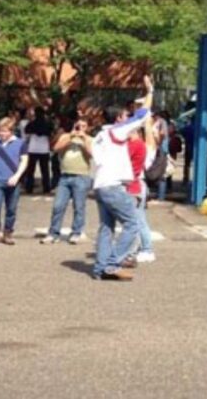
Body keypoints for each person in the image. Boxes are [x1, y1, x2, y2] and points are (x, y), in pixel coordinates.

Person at [90, 75, 153, 281]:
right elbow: (142, 116)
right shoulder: (117, 132)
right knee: (132, 224)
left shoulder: (99, 136)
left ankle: (100, 268)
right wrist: (150, 92)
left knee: (106, 228)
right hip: (113, 186)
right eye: (125, 115)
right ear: (118, 118)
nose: (127, 118)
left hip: (100, 185)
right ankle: (112, 264)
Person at [43, 118, 93, 244]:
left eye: (84, 126)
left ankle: (76, 232)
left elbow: (92, 154)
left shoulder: (90, 139)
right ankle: (53, 233)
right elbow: (56, 148)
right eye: (78, 125)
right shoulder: (66, 136)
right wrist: (71, 137)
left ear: (87, 128)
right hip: (65, 176)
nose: (80, 128)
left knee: (79, 206)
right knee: (58, 206)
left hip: (81, 176)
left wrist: (83, 139)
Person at [0, 118, 29, 245]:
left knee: (11, 209)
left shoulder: (20, 143)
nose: (2, 134)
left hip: (13, 180)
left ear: (11, 131)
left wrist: (17, 176)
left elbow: (24, 160)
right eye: (0, 131)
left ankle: (8, 232)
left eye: (4, 131)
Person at [132, 116, 155, 264]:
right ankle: (139, 247)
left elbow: (151, 140)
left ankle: (147, 249)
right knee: (134, 219)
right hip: (133, 184)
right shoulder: (131, 146)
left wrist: (147, 124)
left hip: (138, 184)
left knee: (139, 219)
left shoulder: (144, 148)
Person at [23, 109, 53, 194]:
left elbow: (26, 130)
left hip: (33, 148)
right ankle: (46, 188)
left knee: (30, 170)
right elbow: (51, 132)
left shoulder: (32, 123)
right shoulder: (47, 123)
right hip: (44, 149)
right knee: (45, 170)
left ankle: (29, 187)